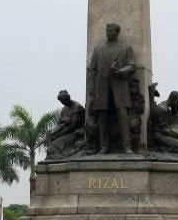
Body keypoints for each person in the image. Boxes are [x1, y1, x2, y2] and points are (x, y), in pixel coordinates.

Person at [86, 22, 136, 154]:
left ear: (117, 33)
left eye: (110, 31)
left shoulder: (126, 49)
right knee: (102, 116)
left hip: (120, 86)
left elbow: (132, 65)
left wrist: (121, 71)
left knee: (123, 114)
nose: (108, 33)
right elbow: (92, 70)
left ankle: (127, 146)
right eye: (107, 31)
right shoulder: (98, 50)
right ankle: (103, 146)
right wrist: (91, 88)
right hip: (101, 87)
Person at [45, 89, 86, 159]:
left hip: (75, 133)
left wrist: (58, 134)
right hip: (65, 132)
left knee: (53, 148)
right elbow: (59, 122)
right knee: (50, 138)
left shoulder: (77, 107)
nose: (63, 103)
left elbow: (72, 126)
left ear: (67, 99)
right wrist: (54, 132)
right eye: (61, 102)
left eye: (63, 101)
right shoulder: (64, 109)